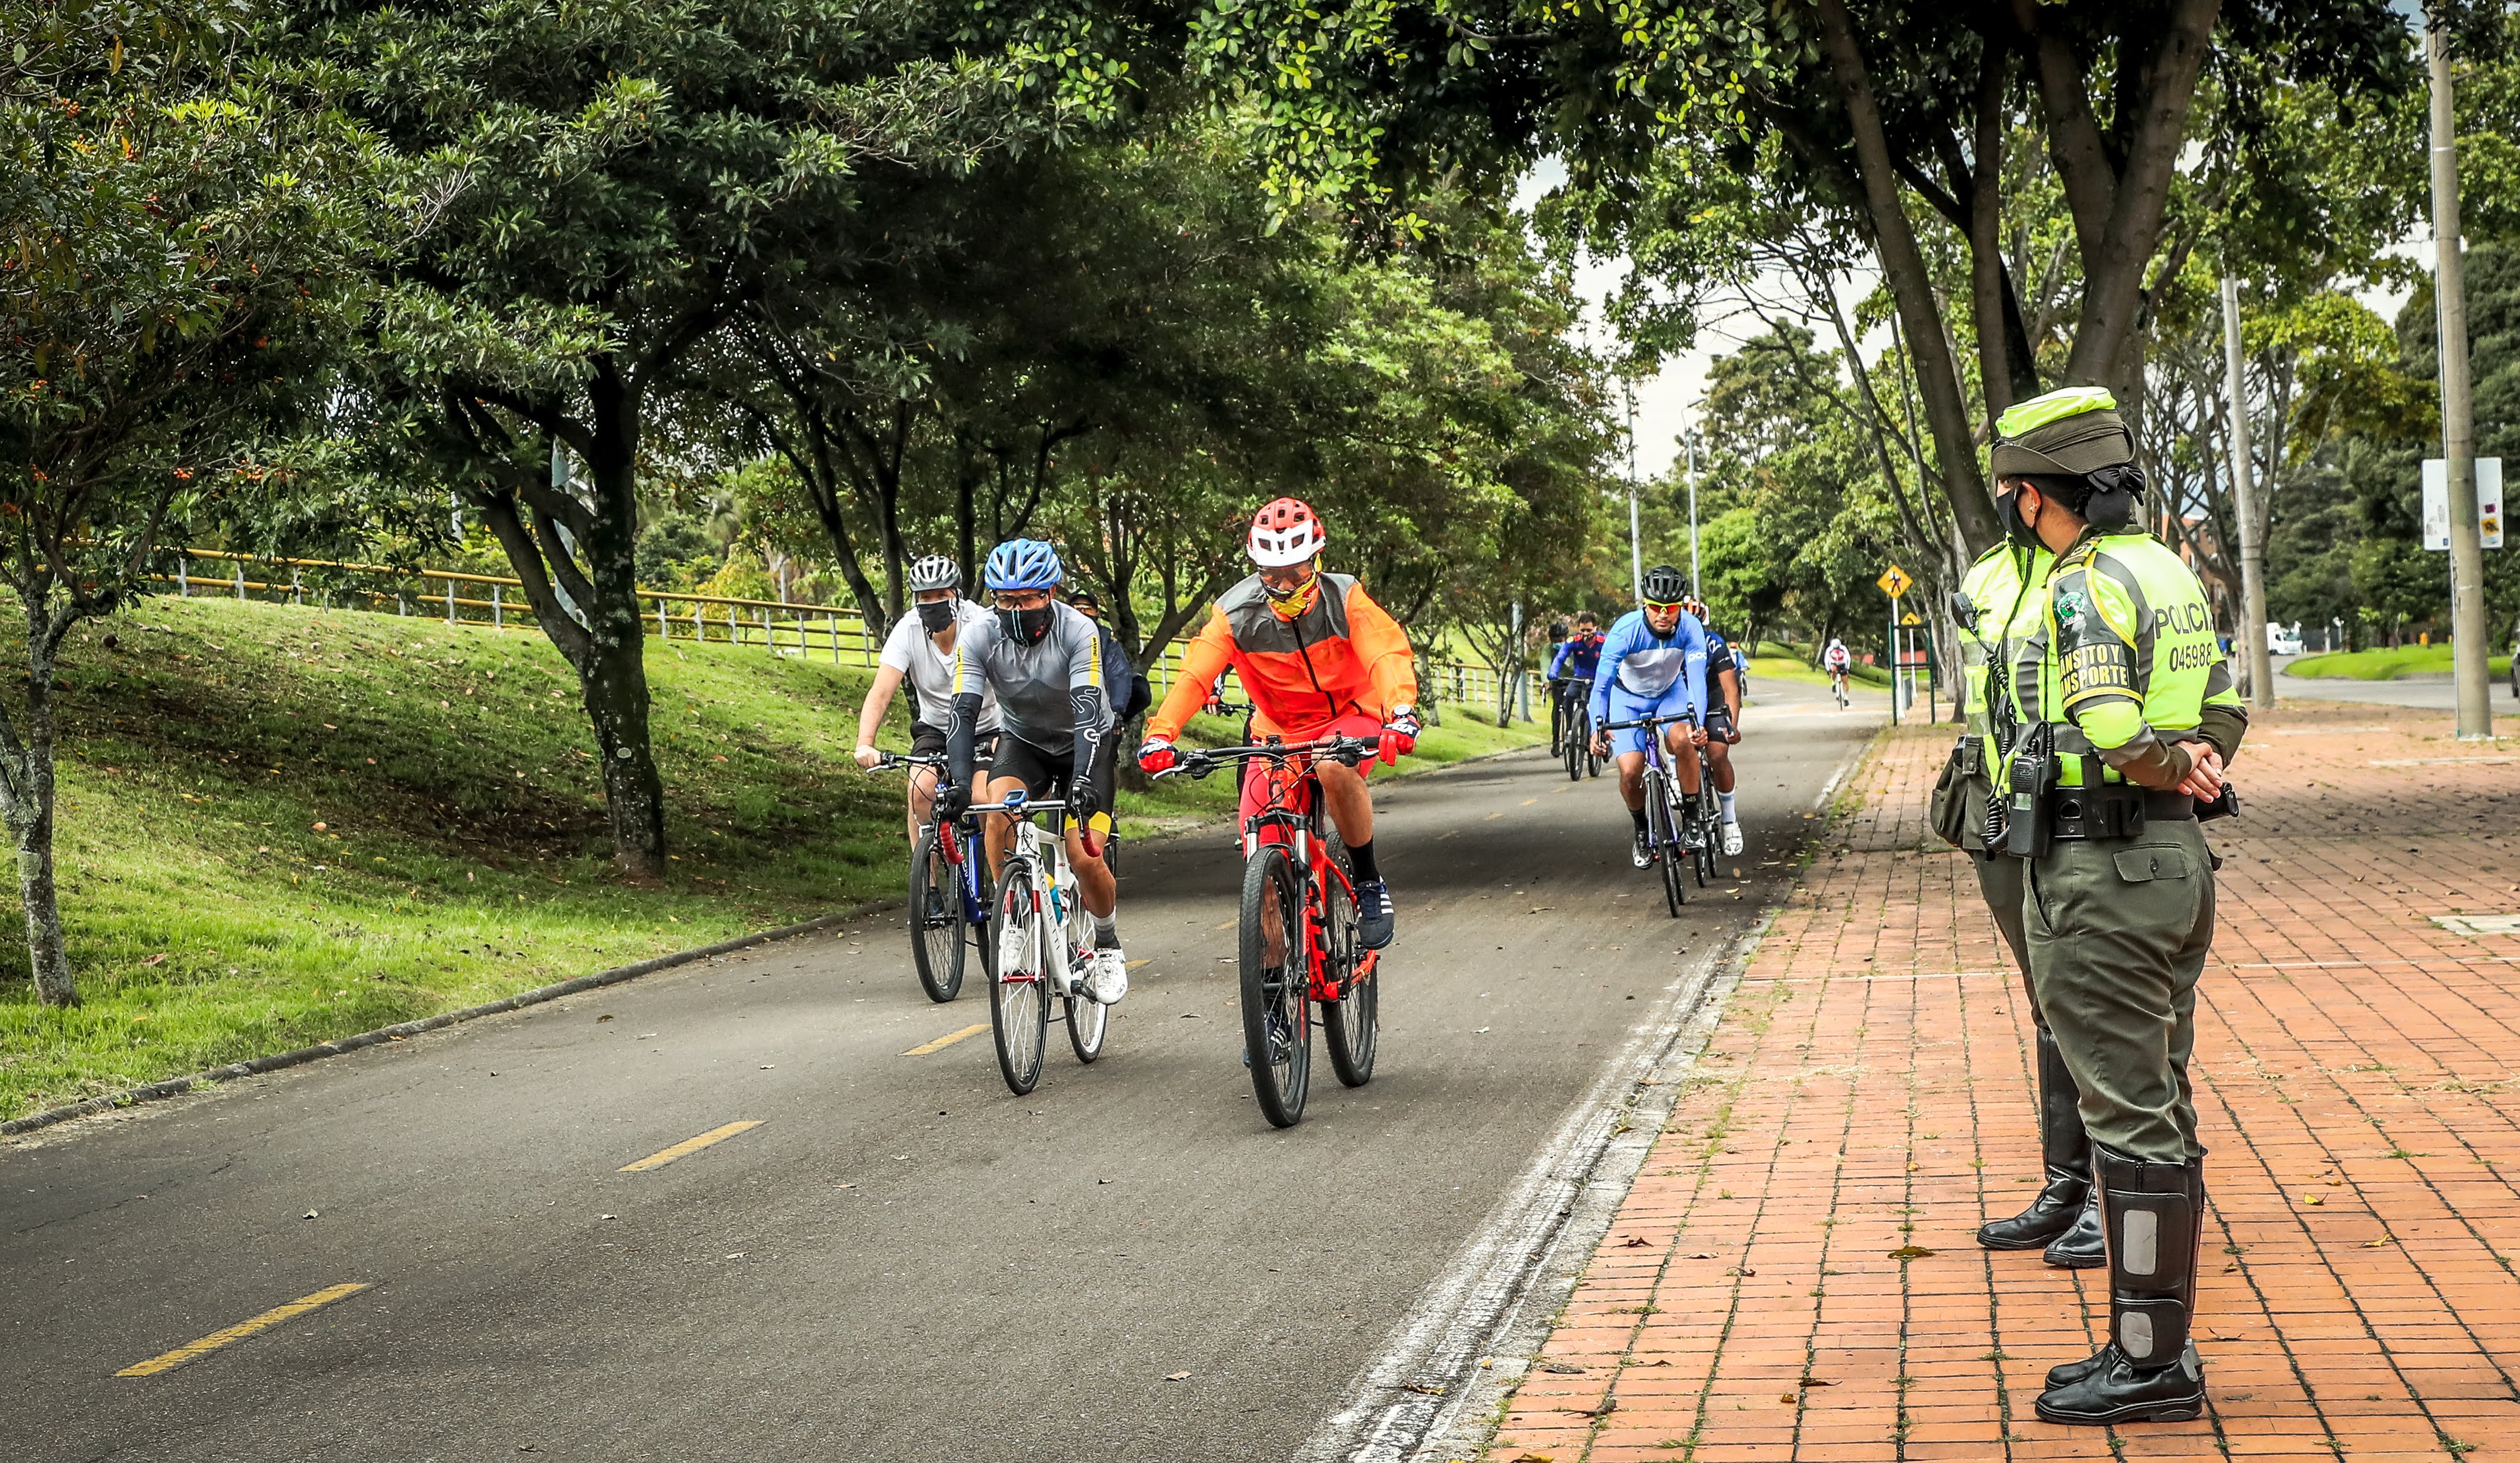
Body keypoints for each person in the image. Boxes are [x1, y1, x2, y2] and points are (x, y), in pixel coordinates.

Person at [1987, 386, 2247, 1427]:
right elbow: (2222, 696)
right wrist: (2196, 762)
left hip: (2100, 865)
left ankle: (2149, 1362)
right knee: (2159, 1096)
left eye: (2012, 490)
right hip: (2173, 866)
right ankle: (2146, 1343)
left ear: (2031, 498)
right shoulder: (2168, 570)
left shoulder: (2080, 583)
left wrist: (2151, 760)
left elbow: (2101, 719)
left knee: (2126, 1111)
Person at [1135, 497, 1420, 949]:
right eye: (1272, 575)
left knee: (1330, 764)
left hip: (1349, 715)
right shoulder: (1234, 613)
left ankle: (1367, 881)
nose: (1285, 585)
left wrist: (1400, 711)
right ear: (1257, 570)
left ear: (1316, 561)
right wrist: (1160, 734)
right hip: (1278, 733)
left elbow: (1385, 653)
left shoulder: (1346, 598)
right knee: (1259, 863)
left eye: (1297, 572)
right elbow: (1195, 674)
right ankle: (1272, 998)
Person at [1953, 532, 2106, 1268]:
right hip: (2005, 809)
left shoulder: (2090, 568)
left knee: (2094, 1003)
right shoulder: (1983, 575)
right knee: (2048, 999)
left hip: (2078, 807)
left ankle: (2114, 1197)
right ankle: (2064, 1188)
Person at [938, 539, 1129, 1005]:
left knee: (1083, 855)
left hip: (1087, 744)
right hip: (1025, 742)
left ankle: (1107, 943)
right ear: (993, 600)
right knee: (996, 811)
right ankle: (1017, 918)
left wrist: (1082, 780)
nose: (1016, 609)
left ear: (1051, 593)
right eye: (1006, 600)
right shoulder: (979, 635)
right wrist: (961, 784)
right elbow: (962, 715)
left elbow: (1087, 713)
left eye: (1027, 599)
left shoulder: (1078, 630)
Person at [853, 555, 999, 844]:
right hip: (936, 727)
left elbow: (1009, 681)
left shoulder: (982, 623)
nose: (933, 603)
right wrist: (864, 743)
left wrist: (1008, 733)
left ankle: (1002, 882)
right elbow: (881, 693)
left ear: (957, 595)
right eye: (925, 597)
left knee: (984, 798)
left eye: (941, 595)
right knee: (920, 789)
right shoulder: (907, 630)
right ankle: (927, 885)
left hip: (986, 726)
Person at [1589, 566, 1710, 869]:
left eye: (1671, 608)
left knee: (1683, 740)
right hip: (1626, 698)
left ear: (1680, 607)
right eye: (1656, 607)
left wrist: (1699, 725)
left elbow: (1696, 682)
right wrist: (1596, 728)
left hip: (1670, 693)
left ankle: (1692, 819)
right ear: (1646, 605)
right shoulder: (1623, 633)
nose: (1663, 615)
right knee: (1630, 770)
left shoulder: (1691, 628)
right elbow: (1601, 688)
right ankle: (1642, 829)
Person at [1682, 599, 1747, 856]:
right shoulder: (1669, 644)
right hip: (1681, 701)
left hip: (1712, 699)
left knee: (1718, 754)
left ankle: (1729, 820)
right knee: (1677, 739)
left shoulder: (1714, 643)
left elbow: (1731, 689)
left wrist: (1732, 725)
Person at [1547, 610, 1604, 748]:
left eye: (1589, 630)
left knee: (1601, 703)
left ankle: (1601, 734)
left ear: (1596, 628)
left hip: (1598, 678)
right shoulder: (1574, 641)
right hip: (1579, 677)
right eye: (1583, 630)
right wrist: (1553, 672)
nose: (1586, 633)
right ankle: (1570, 730)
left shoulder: (1604, 641)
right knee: (1568, 697)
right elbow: (1560, 657)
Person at [1822, 637, 1852, 703]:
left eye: (1837, 648)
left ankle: (1846, 697)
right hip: (1834, 663)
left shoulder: (1844, 649)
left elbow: (1848, 659)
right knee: (1833, 669)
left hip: (1842, 664)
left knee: (1845, 681)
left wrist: (1847, 669)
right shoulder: (1829, 650)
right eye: (1835, 649)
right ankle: (1833, 683)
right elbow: (1826, 660)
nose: (1836, 650)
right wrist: (1828, 670)